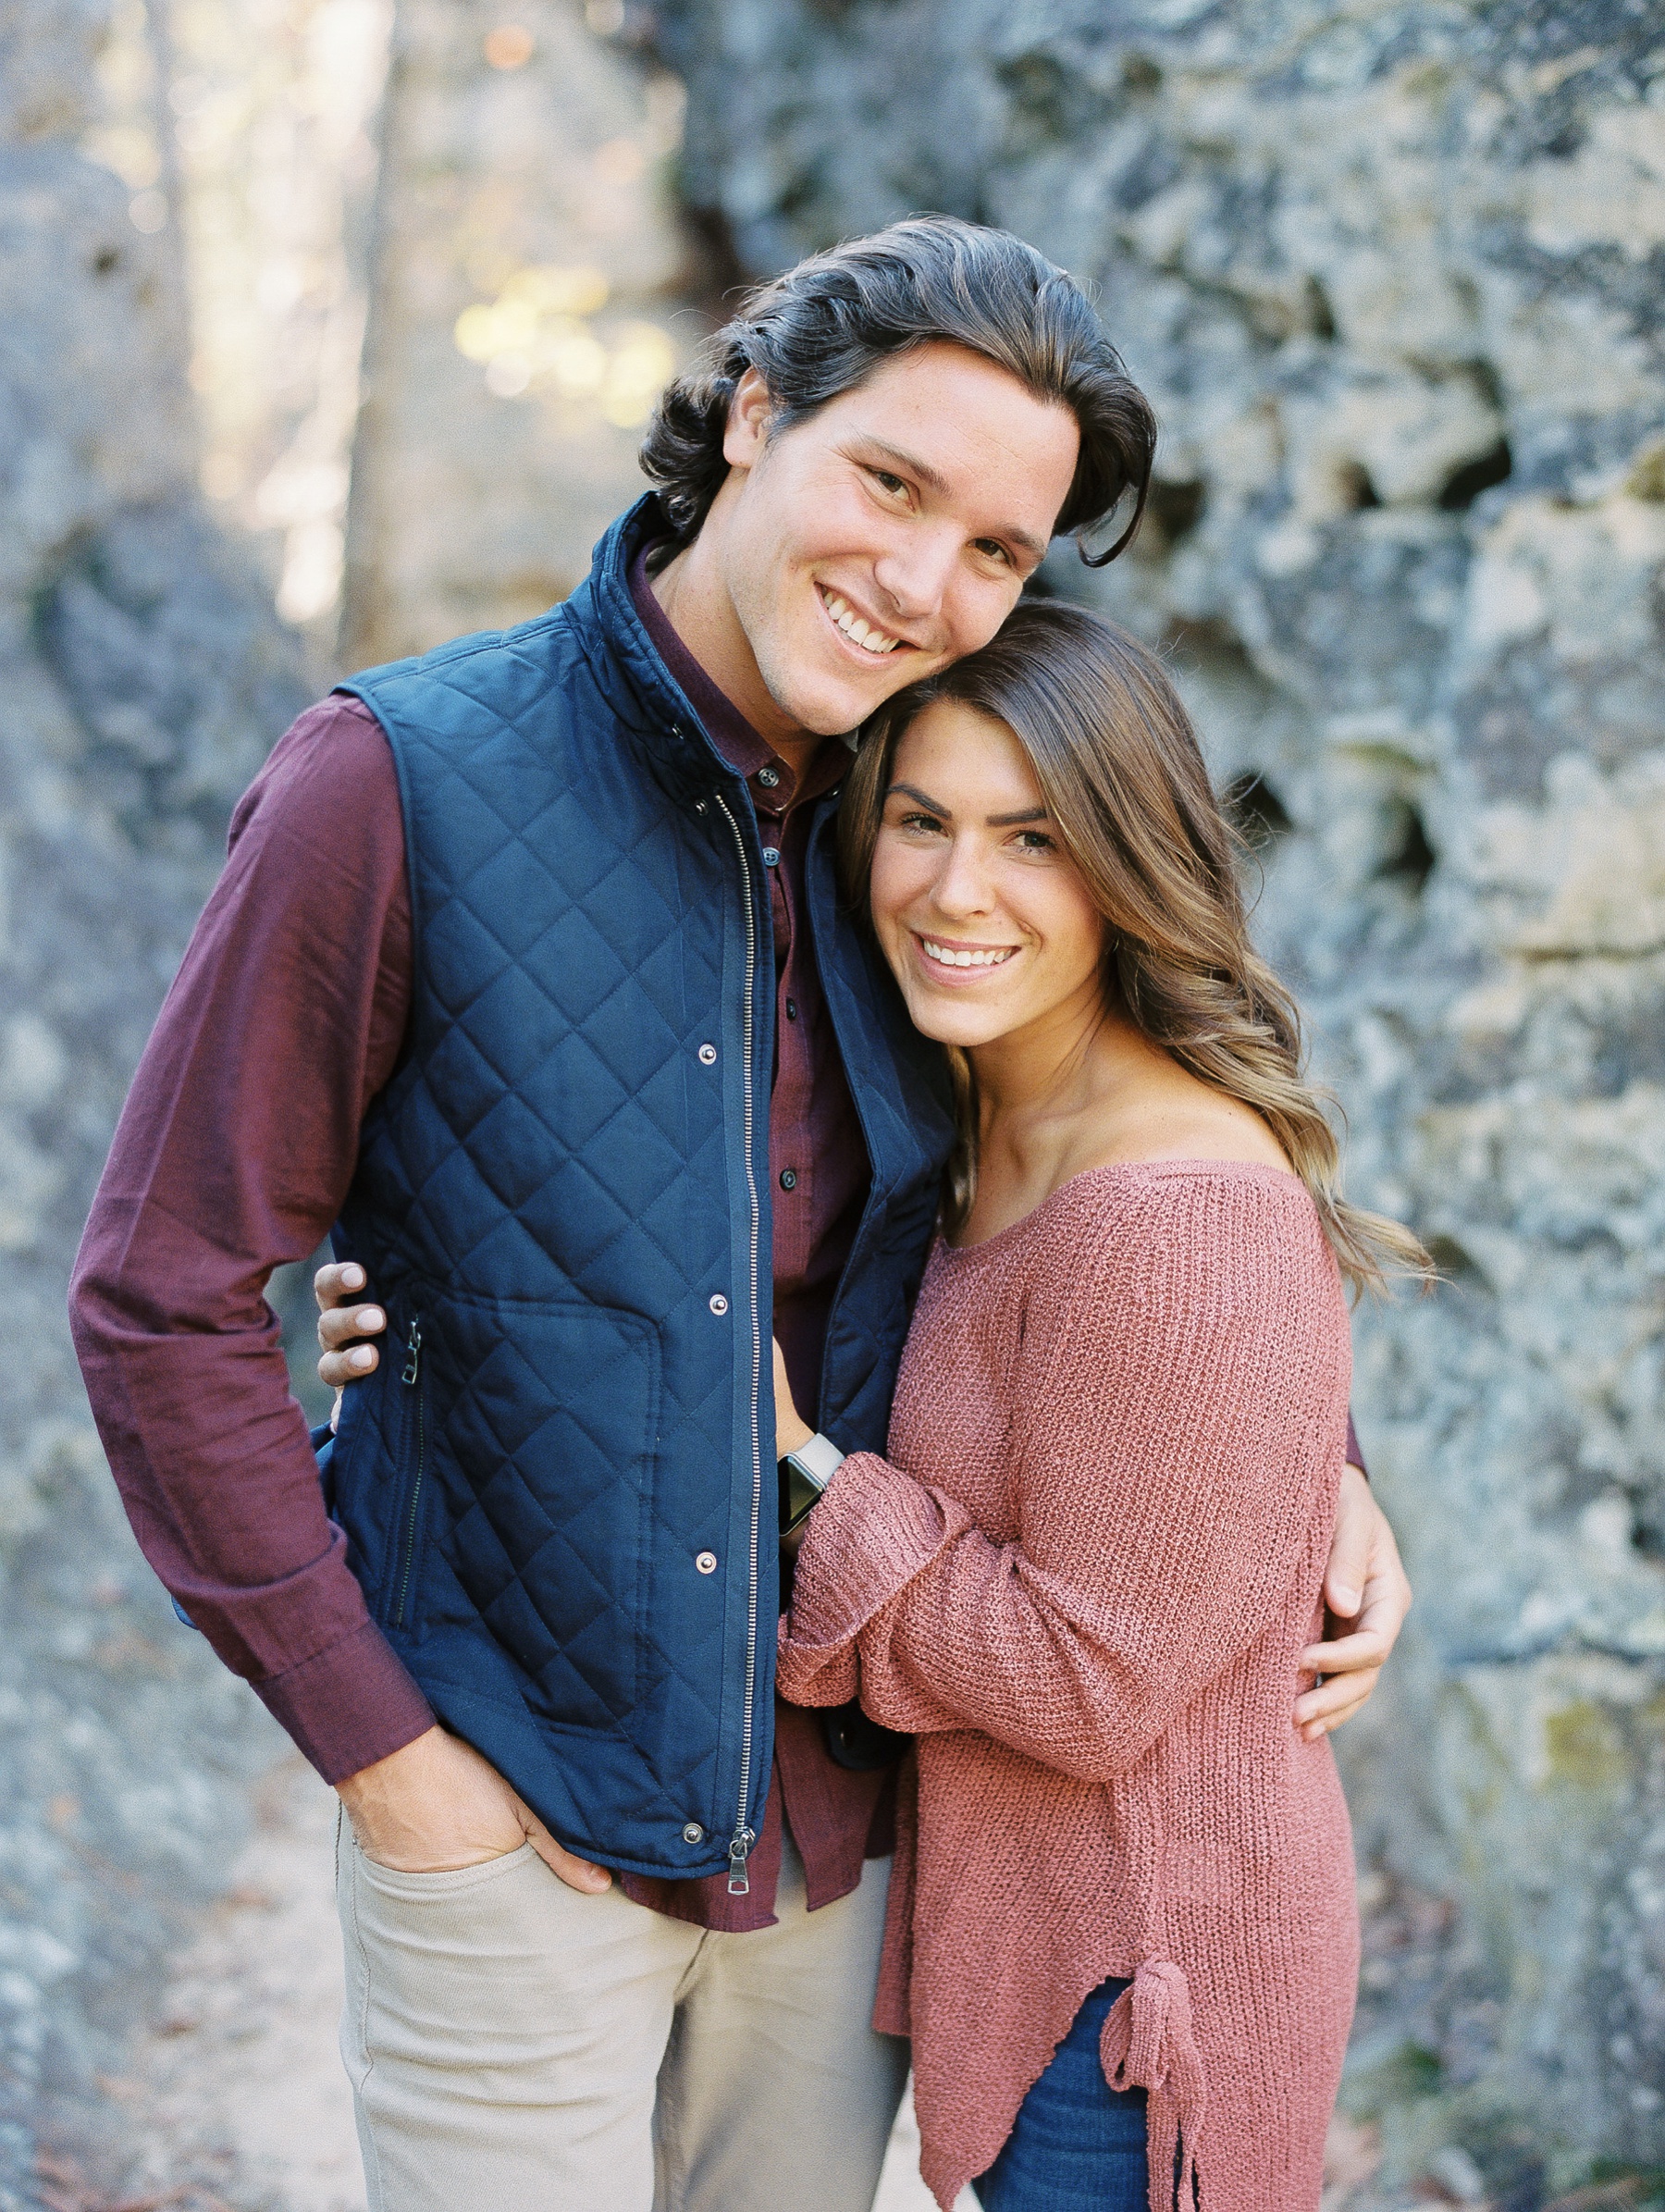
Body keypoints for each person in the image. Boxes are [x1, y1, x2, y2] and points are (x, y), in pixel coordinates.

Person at [69, 216, 1410, 2212]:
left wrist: (1320, 1457)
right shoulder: (394, 780)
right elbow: (161, 1296)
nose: (921, 583)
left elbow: (1111, 1170)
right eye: (891, 483)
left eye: (997, 551)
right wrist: (383, 1756)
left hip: (849, 1858)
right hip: (509, 1807)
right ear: (755, 410)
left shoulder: (933, 817)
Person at [771, 598, 1430, 2212]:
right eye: (921, 821)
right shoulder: (968, 1106)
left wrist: (796, 1464)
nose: (957, 888)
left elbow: (1089, 1683)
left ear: (1127, 866)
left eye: (1033, 838)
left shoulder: (1170, 1209)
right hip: (1045, 1955)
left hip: (1145, 2003)